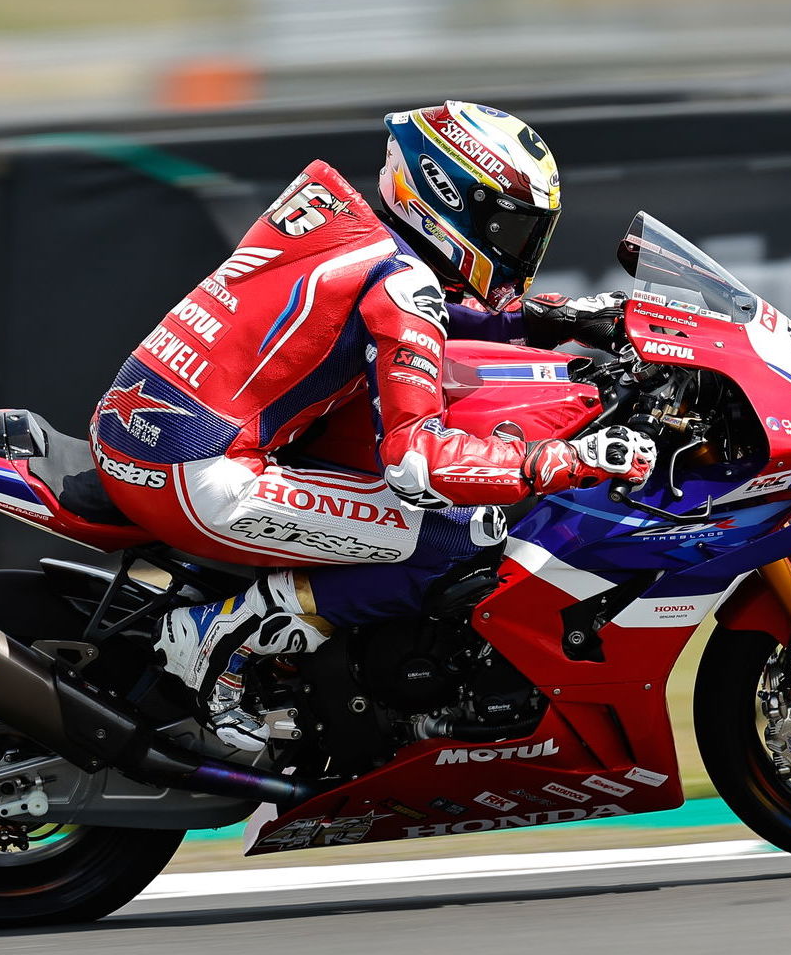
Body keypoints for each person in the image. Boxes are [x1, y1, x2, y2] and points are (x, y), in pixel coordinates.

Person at [90, 101, 656, 749]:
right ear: (447, 198)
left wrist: (546, 321)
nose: (517, 247)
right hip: (199, 470)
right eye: (506, 227)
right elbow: (416, 465)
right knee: (460, 533)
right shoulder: (402, 279)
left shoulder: (348, 230)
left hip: (147, 431)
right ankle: (219, 639)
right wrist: (567, 459)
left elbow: (401, 313)